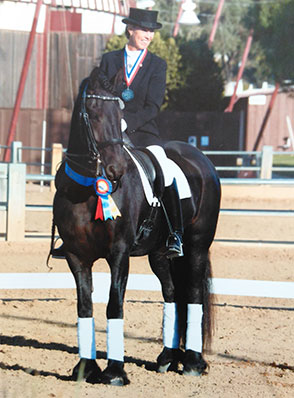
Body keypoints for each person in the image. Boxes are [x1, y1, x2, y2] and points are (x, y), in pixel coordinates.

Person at [52, 7, 183, 259]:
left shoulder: (157, 65)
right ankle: (67, 233)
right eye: (144, 30)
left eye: (151, 32)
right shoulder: (110, 60)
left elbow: (153, 106)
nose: (148, 35)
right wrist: (112, 124)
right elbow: (102, 96)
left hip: (143, 133)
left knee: (166, 169)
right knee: (77, 169)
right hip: (108, 133)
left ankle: (173, 234)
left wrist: (126, 123)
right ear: (130, 29)